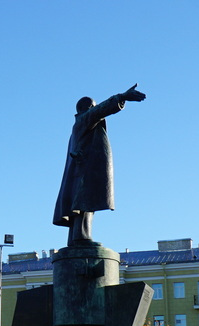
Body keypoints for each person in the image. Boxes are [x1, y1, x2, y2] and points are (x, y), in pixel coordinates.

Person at [52, 84, 146, 246]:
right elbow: (100, 111)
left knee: (86, 204)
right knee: (84, 203)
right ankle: (82, 237)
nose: (95, 110)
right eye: (93, 107)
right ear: (87, 108)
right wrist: (122, 97)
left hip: (83, 170)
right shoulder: (84, 120)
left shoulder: (80, 126)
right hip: (84, 171)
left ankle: (77, 238)